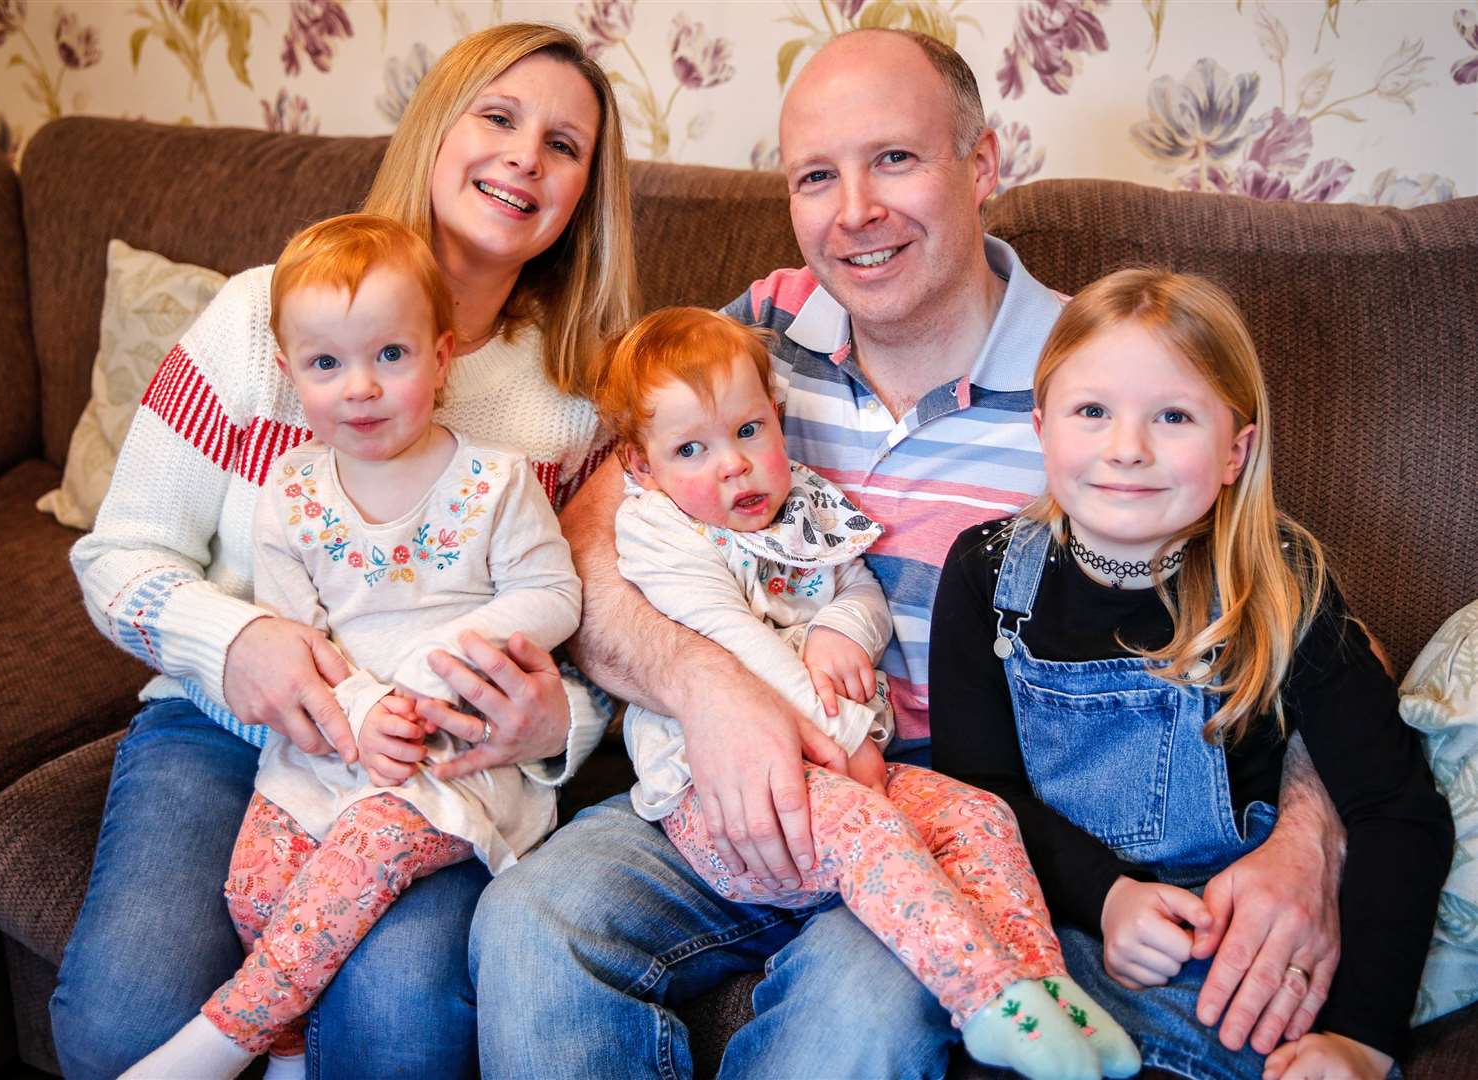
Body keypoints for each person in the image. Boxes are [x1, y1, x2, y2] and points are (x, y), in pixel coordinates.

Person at [472, 28, 1348, 1079]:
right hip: (720, 768)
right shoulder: (748, 334)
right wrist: (711, 692)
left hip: (937, 805)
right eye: (815, 176)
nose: (852, 213)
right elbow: (593, 547)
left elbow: (1296, 626)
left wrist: (1310, 838)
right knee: (528, 924)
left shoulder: (1103, 379)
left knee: (861, 1009)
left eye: (892, 158)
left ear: (979, 167)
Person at [56, 23, 637, 1076]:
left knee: (396, 1028)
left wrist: (564, 725)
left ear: (582, 197)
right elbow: (115, 558)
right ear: (435, 128)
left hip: (431, 767)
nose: (524, 157)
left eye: (564, 146)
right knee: (116, 1025)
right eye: (498, 117)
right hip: (221, 728)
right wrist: (239, 643)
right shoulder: (256, 318)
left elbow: (599, 633)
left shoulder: (572, 410)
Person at [928, 268, 1453, 1079]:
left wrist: (1361, 1038)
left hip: (1213, 949)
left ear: (1236, 450)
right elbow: (979, 793)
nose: (1127, 447)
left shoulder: (1283, 586)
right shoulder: (986, 575)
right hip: (1042, 927)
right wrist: (1107, 896)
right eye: (1092, 411)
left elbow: (1397, 811)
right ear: (1041, 427)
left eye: (1173, 416)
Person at [595, 305, 1139, 1080]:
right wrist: (842, 739)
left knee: (979, 816)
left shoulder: (801, 505)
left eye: (749, 431)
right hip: (723, 793)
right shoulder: (660, 530)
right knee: (866, 830)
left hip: (852, 767)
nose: (733, 466)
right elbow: (737, 643)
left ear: (775, 417)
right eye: (690, 449)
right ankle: (987, 1003)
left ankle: (1043, 982)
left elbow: (860, 589)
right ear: (642, 466)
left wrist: (840, 630)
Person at [123, 214, 582, 1078]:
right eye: (327, 365)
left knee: (366, 850)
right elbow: (299, 640)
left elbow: (555, 594)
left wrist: (445, 654)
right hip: (332, 743)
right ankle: (293, 1054)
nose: (360, 388)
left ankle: (219, 1043)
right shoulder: (292, 494)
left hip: (457, 760)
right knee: (256, 885)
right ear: (292, 375)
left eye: (391, 357)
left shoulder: (495, 482)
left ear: (441, 358)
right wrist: (364, 712)